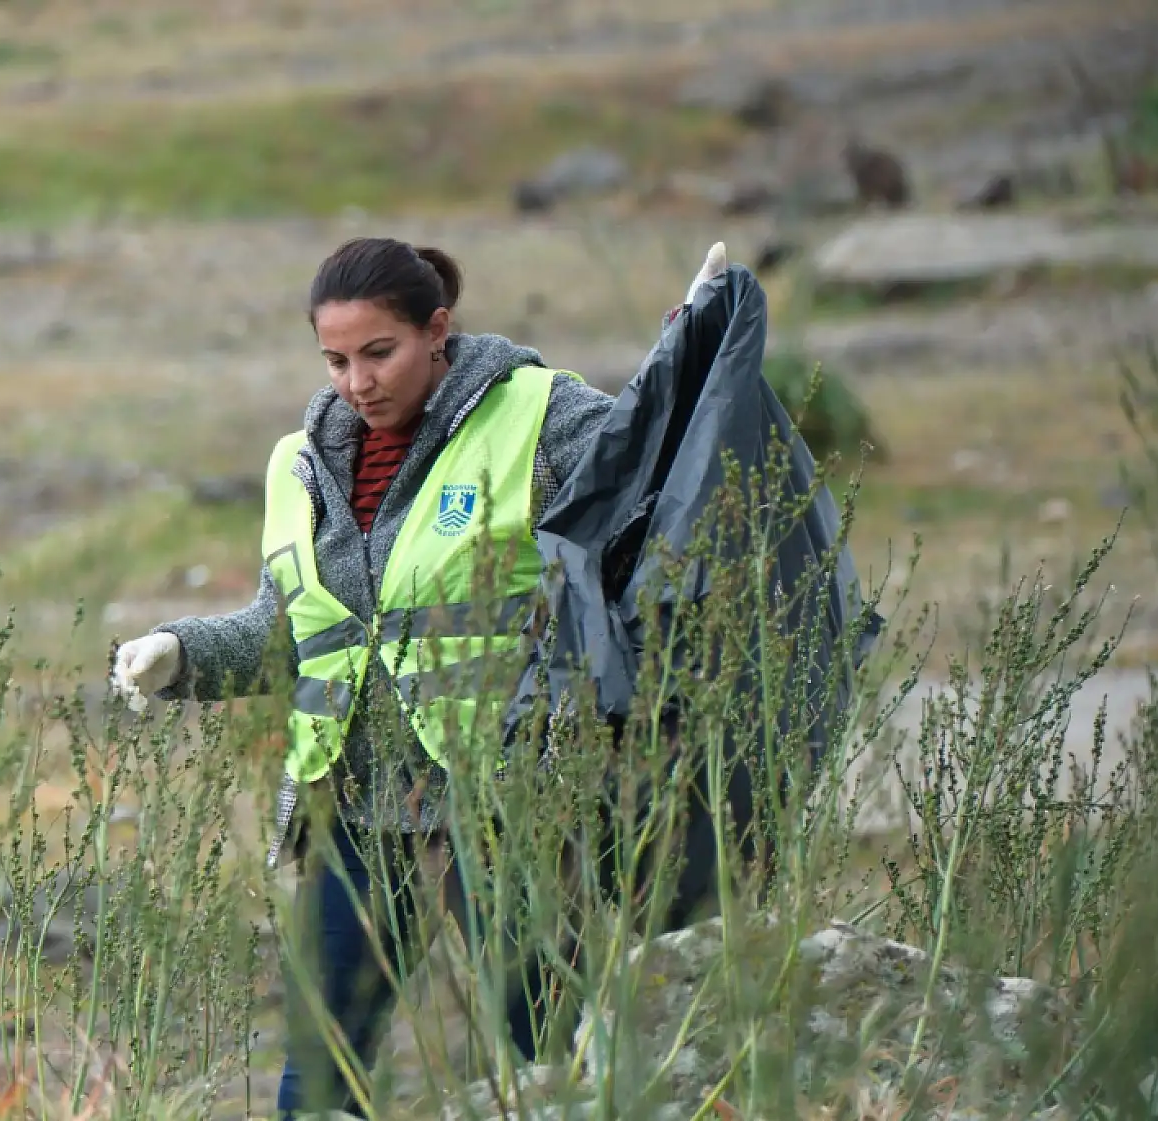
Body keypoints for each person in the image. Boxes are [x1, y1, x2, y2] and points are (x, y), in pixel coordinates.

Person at [111, 235, 729, 1118]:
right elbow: (288, 631)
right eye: (335, 359)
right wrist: (176, 650)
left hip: (504, 801)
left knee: (546, 1051)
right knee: (320, 1077)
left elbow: (649, 465)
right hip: (350, 811)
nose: (357, 382)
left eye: (379, 353)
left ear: (437, 330)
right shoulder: (300, 464)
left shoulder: (533, 411)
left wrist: (691, 338)